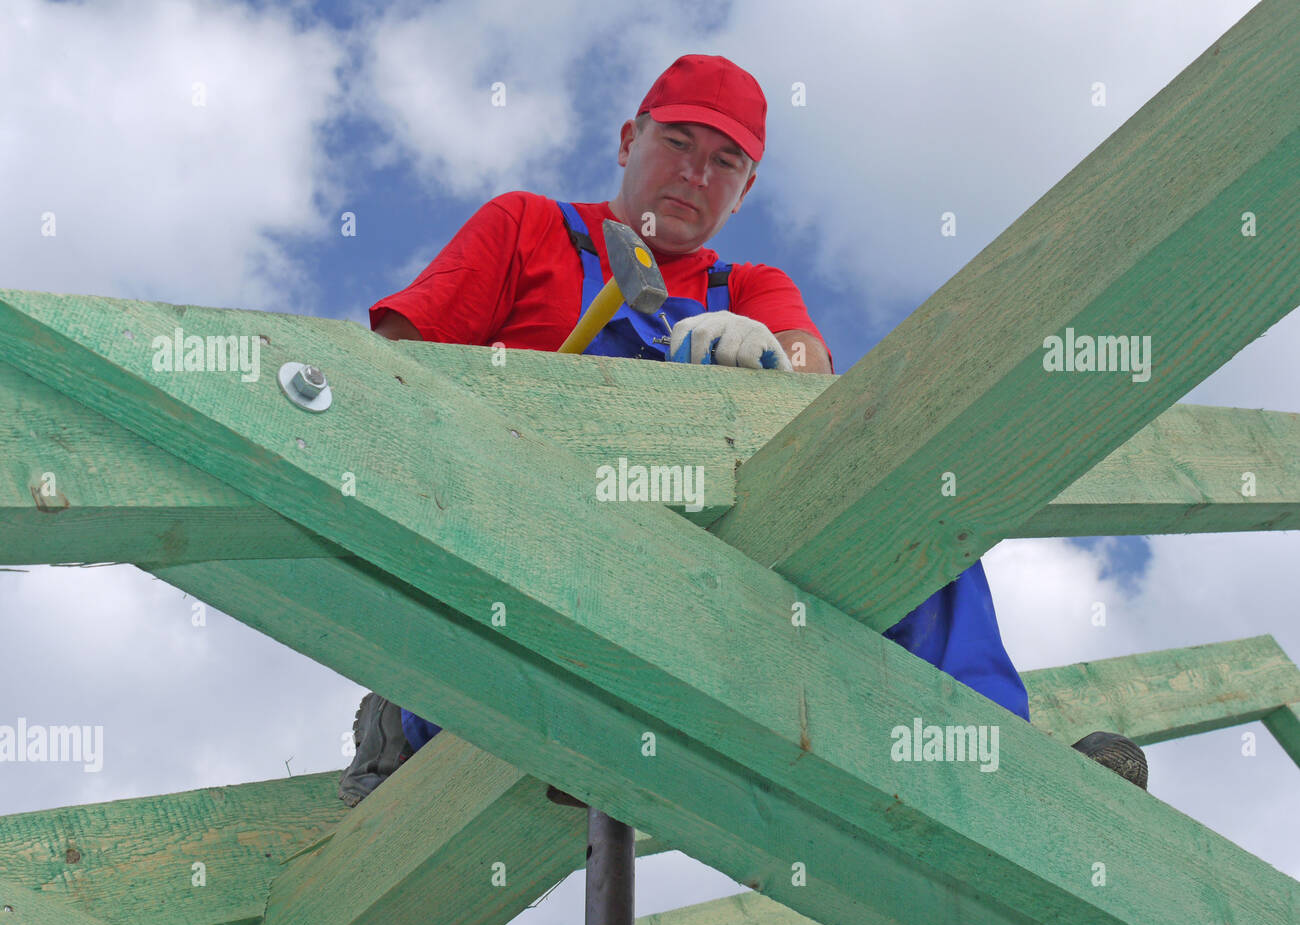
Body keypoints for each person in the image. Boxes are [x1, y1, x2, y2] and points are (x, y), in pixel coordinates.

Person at [338, 54, 1144, 806]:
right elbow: (389, 382)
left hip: (694, 576)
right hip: (525, 551)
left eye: (724, 161)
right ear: (629, 140)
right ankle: (409, 715)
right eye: (677, 142)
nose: (695, 173)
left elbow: (811, 381)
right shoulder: (527, 227)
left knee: (905, 506)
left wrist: (773, 370)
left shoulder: (751, 287)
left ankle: (1001, 773)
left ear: (747, 188)